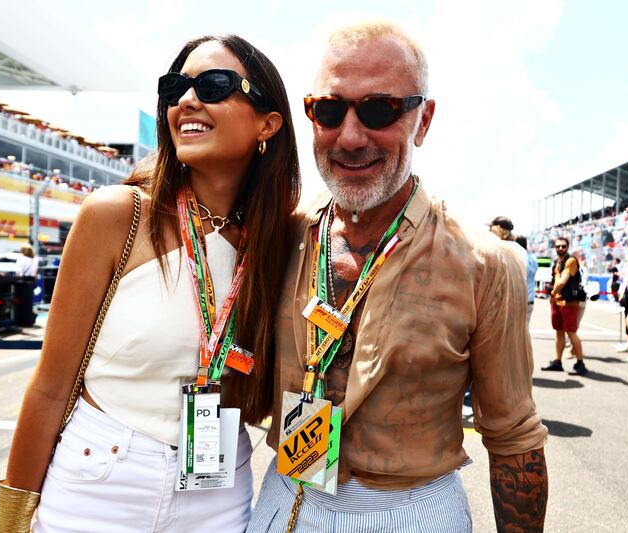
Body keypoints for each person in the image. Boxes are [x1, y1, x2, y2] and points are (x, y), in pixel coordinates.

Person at [0, 34, 300, 532]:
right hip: (100, 481)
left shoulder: (282, 240)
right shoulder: (117, 216)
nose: (186, 100)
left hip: (219, 493)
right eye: (175, 86)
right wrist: (11, 521)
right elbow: (50, 387)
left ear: (267, 123)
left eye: (215, 84)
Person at [249, 21, 547, 533]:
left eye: (379, 110)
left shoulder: (483, 262)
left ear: (423, 120)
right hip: (287, 496)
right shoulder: (280, 234)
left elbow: (514, 439)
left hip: (412, 512)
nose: (350, 136)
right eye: (330, 109)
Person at [542, 237, 588, 375]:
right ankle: (557, 361)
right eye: (558, 246)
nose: (560, 248)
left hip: (569, 302)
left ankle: (580, 363)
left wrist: (552, 293)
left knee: (571, 332)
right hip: (558, 302)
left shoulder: (571, 261)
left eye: (563, 246)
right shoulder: (557, 262)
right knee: (559, 332)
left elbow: (562, 282)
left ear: (567, 247)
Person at [516, 234, 538, 324]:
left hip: (518, 299)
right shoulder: (533, 258)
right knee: (525, 329)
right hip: (530, 299)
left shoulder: (517, 257)